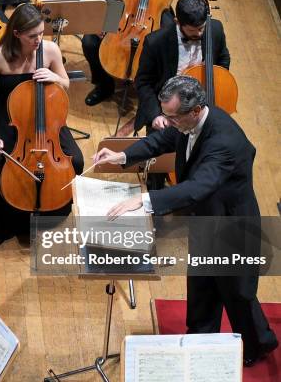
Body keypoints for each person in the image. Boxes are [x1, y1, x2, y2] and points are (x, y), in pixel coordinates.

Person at [94, 75, 278, 366]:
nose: (166, 121)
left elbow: (198, 187)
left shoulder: (224, 141)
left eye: (171, 116)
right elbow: (161, 139)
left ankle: (258, 344)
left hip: (232, 224)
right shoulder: (186, 122)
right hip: (205, 218)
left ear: (194, 111)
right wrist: (122, 156)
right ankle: (201, 339)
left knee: (238, 293)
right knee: (202, 284)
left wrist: (143, 201)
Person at [0, 3, 84, 247]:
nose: (38, 40)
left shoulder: (51, 50)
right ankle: (7, 224)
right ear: (17, 34)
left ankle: (51, 212)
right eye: (32, 36)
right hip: (11, 118)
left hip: (48, 119)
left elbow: (65, 83)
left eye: (41, 33)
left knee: (75, 160)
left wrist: (55, 77)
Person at [134, 0, 230, 133]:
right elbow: (143, 82)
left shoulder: (215, 29)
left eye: (201, 28)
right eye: (192, 30)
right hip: (169, 113)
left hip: (202, 106)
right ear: (177, 21)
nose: (199, 34)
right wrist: (156, 115)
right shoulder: (155, 42)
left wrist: (217, 78)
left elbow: (223, 58)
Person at [81, 0, 180, 106]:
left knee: (169, 40)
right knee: (90, 42)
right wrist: (102, 11)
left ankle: (151, 89)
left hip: (153, 3)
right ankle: (105, 85)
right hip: (119, 4)